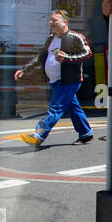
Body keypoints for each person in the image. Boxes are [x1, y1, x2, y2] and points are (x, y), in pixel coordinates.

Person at [16, 10, 94, 148]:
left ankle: (39, 135)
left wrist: (67, 58)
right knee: (73, 108)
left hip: (69, 81)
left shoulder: (75, 37)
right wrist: (24, 69)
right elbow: (41, 56)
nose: (50, 22)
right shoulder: (51, 38)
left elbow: (87, 53)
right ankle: (86, 133)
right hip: (55, 81)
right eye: (50, 20)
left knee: (55, 108)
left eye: (54, 20)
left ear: (65, 22)